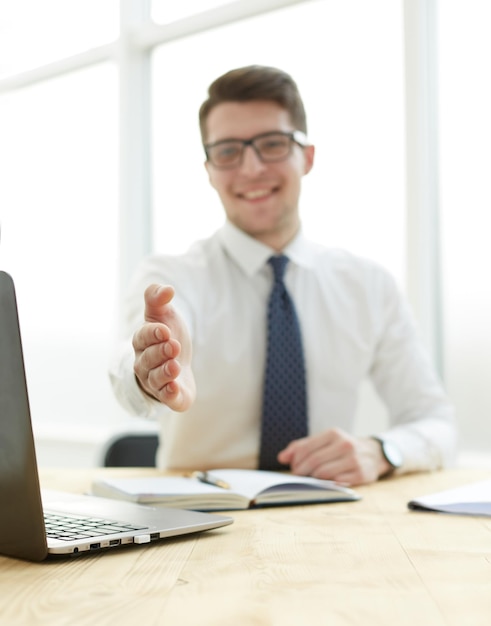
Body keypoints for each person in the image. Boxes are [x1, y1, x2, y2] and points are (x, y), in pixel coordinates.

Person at [109, 65, 457, 485]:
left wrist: (383, 450)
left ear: (307, 156)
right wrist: (150, 371)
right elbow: (128, 374)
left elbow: (437, 423)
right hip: (196, 519)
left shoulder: (369, 286)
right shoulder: (169, 277)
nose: (251, 168)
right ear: (209, 170)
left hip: (328, 516)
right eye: (227, 151)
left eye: (272, 144)